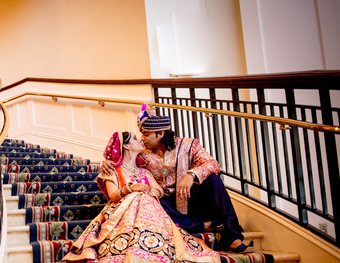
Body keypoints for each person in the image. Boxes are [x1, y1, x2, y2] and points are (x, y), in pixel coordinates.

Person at [62, 131, 224, 263]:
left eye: (143, 135)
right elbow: (113, 195)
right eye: (134, 138)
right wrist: (132, 188)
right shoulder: (113, 171)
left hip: (147, 211)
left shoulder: (144, 171)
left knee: (146, 199)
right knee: (140, 198)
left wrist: (150, 191)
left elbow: (158, 190)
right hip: (121, 214)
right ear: (126, 146)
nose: (140, 140)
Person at [102, 104, 249, 253]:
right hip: (163, 202)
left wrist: (191, 175)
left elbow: (212, 164)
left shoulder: (189, 145)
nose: (142, 139)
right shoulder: (142, 152)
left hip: (189, 198)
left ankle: (233, 237)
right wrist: (107, 162)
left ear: (160, 133)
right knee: (148, 202)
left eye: (146, 134)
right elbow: (122, 156)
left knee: (214, 180)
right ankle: (204, 224)